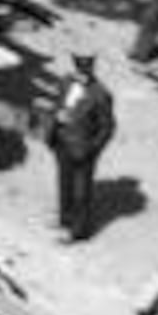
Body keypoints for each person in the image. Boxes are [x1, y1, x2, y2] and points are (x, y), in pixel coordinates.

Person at [45, 53, 116, 241]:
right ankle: (65, 218)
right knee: (64, 183)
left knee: (81, 192)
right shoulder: (66, 82)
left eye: (85, 69)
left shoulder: (101, 94)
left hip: (83, 149)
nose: (81, 73)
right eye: (78, 69)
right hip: (62, 141)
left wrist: (92, 149)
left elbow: (107, 128)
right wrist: (56, 118)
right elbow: (56, 104)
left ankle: (78, 231)